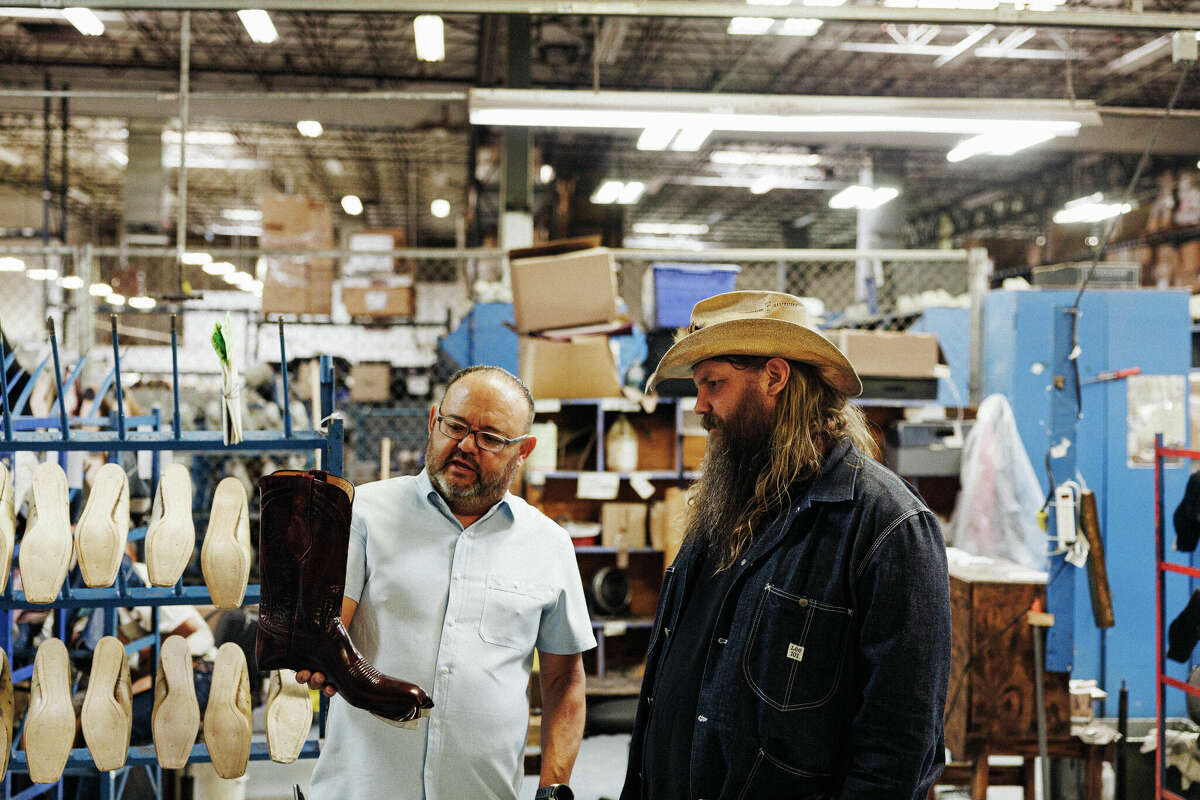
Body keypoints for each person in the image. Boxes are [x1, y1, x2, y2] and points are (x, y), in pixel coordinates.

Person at [621, 291, 951, 800]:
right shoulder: (725, 501)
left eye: (713, 384)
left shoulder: (885, 524)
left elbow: (899, 743)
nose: (700, 406)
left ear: (775, 377)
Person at [299, 365, 596, 800]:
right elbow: (329, 631)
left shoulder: (549, 545)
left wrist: (554, 787)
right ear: (433, 419)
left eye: (490, 438)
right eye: (454, 426)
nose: (465, 446)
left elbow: (564, 681)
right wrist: (319, 656)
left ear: (524, 450)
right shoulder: (364, 512)